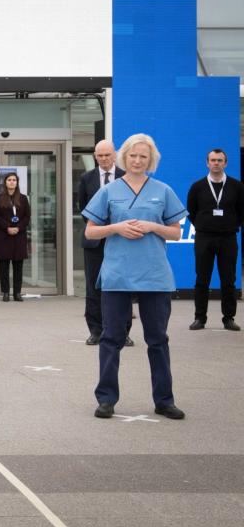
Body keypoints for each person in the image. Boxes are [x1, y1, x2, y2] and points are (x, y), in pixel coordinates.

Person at [83, 133, 186, 420]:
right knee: (111, 338)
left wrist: (154, 226)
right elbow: (90, 231)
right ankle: (106, 399)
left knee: (157, 339)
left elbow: (176, 232)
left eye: (143, 156)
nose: (138, 160)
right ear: (123, 158)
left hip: (154, 275)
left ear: (150, 160)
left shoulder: (163, 190)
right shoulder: (109, 191)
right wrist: (116, 228)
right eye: (133, 155)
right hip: (117, 274)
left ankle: (164, 400)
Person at [79, 139, 134, 346]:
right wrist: (102, 228)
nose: (103, 159)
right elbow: (83, 209)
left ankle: (123, 331)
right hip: (95, 242)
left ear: (114, 155)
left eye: (107, 155)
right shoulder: (86, 178)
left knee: (122, 286)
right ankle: (96, 331)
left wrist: (117, 229)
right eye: (99, 155)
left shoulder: (126, 177)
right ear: (95, 156)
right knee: (94, 287)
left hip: (122, 241)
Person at [186, 148, 244, 332]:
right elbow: (192, 212)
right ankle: (199, 318)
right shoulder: (197, 186)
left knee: (229, 279)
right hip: (204, 237)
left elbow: (242, 211)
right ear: (207, 163)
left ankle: (228, 318)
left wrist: (229, 224)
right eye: (213, 160)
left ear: (225, 163)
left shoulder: (237, 186)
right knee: (202, 279)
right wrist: (205, 225)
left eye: (220, 160)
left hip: (228, 237)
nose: (216, 163)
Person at [0, 172, 30, 302]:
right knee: (4, 266)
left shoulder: (23, 198)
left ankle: (17, 293)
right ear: (5, 182)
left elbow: (27, 217)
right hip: (4, 236)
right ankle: (5, 292)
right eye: (9, 180)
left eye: (14, 180)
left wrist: (18, 227)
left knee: (18, 267)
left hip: (19, 236)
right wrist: (7, 227)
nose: (12, 182)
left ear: (17, 182)